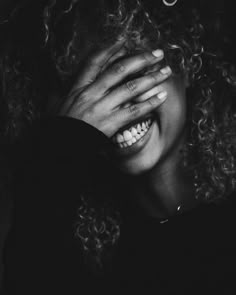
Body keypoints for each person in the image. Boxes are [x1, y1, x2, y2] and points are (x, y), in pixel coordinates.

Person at [1, 0, 236, 293]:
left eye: (128, 74)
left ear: (185, 63)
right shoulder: (85, 254)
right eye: (89, 92)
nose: (115, 109)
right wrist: (61, 149)